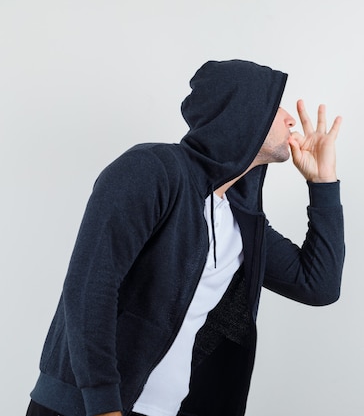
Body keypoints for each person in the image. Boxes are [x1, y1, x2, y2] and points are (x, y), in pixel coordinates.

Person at [26, 59, 345, 416]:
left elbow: (319, 285)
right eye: (275, 105)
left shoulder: (241, 221)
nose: (289, 119)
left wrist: (324, 184)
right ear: (241, 111)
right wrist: (103, 406)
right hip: (85, 407)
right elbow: (90, 286)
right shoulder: (152, 169)